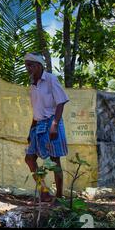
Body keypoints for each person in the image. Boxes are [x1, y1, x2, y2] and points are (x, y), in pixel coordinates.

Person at [23, 52, 69, 202]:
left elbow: (61, 102)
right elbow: (36, 110)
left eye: (30, 65)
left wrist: (54, 125)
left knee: (55, 161)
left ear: (39, 66)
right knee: (29, 158)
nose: (28, 68)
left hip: (51, 122)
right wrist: (31, 130)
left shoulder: (50, 79)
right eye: (26, 65)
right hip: (38, 124)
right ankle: (44, 191)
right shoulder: (32, 85)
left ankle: (59, 197)